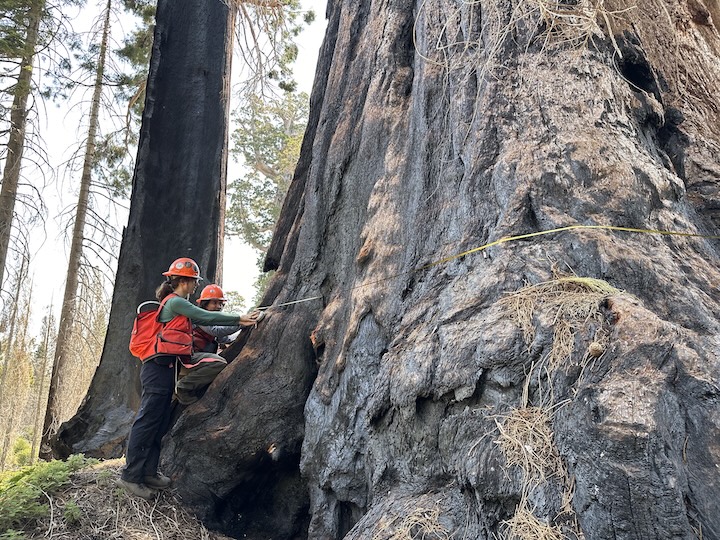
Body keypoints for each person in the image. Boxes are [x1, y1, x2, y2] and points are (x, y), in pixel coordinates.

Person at [119, 257, 262, 500]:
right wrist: (240, 318)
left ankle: (150, 472)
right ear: (184, 281)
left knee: (160, 422)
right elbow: (207, 317)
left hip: (169, 368)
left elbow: (210, 327)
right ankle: (131, 476)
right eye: (194, 281)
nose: (196, 285)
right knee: (147, 421)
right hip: (156, 369)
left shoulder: (180, 305)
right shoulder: (175, 303)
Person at [175, 284, 261, 405]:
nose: (218, 306)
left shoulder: (211, 320)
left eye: (220, 303)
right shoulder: (201, 317)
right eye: (214, 303)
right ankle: (183, 387)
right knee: (219, 363)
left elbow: (225, 338)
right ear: (205, 304)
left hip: (195, 360)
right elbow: (216, 330)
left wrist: (246, 327)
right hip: (187, 359)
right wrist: (242, 322)